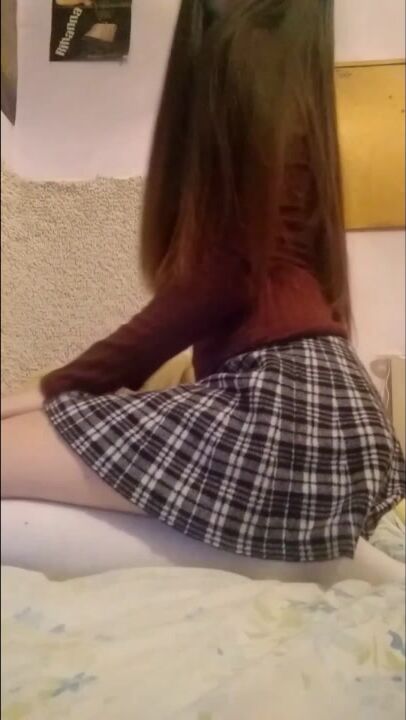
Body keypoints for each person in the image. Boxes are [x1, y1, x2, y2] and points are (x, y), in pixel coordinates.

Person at [2, 0, 404, 582]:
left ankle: (303, 560)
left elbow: (221, 279)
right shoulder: (291, 83)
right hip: (339, 419)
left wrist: (54, 387)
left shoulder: (250, 54)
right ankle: (304, 559)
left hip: (285, 414)